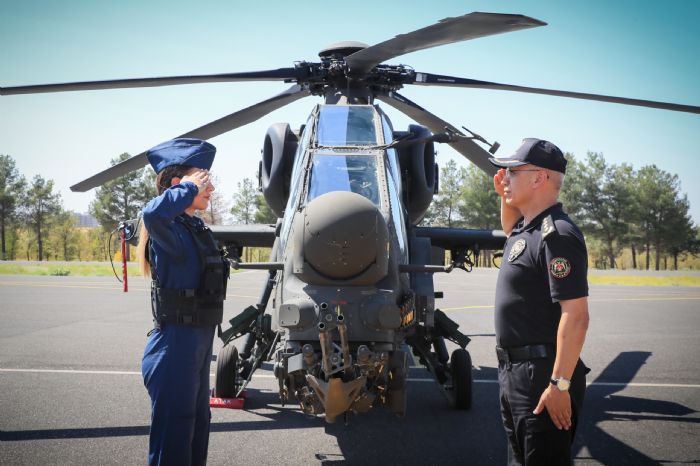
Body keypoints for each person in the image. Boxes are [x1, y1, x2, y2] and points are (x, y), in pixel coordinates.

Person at [490, 138, 590, 466]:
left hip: (542, 378)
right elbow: (510, 229)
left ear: (538, 178)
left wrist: (559, 385)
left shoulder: (558, 235)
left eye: (513, 172)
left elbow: (575, 315)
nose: (505, 177)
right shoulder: (527, 230)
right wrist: (504, 193)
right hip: (515, 374)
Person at [136, 138, 229, 466]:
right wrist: (189, 187)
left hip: (197, 347)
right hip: (174, 349)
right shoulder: (168, 229)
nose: (211, 187)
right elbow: (152, 213)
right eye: (204, 179)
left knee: (196, 430)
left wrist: (191, 186)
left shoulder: (192, 229)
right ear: (180, 185)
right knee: (174, 442)